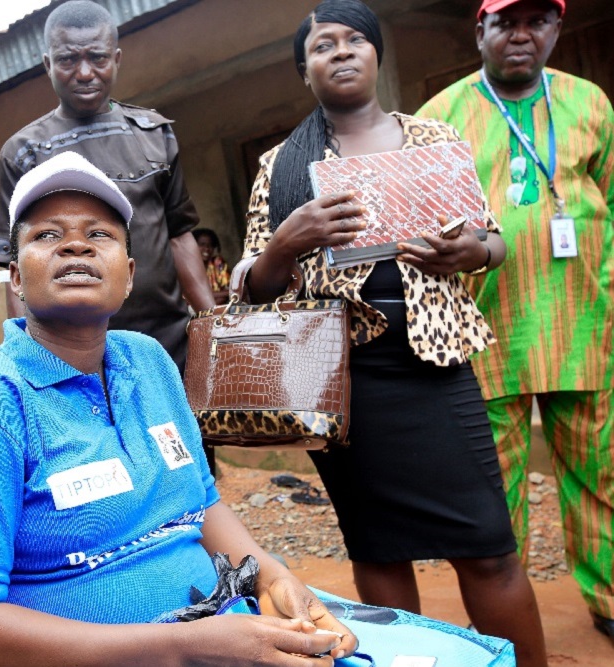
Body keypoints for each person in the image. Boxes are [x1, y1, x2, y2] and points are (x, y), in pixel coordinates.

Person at [0, 151, 359, 667]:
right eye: (47, 235)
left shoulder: (149, 362)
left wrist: (271, 576)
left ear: (127, 274)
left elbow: (202, 504)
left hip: (220, 632)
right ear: (15, 276)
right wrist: (187, 647)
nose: (75, 243)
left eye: (99, 235)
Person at [240, 1, 546, 664]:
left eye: (356, 40)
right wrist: (286, 245)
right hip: (342, 384)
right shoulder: (281, 166)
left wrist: (472, 252)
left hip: (435, 369)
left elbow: (492, 241)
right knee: (378, 549)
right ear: (305, 70)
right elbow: (252, 290)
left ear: (377, 54)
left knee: (487, 545)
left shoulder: (431, 139)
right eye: (325, 45)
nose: (342, 52)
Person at [417, 0, 614, 642]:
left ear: (557, 28)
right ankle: (504, 620)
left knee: (601, 473)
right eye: (506, 22)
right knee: (490, 492)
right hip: (484, 335)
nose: (521, 35)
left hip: (585, 324)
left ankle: (610, 602)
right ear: (481, 30)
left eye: (538, 21)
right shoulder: (439, 117)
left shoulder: (592, 105)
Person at [0, 0, 216, 376]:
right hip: (71, 351)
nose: (84, 72)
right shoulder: (23, 154)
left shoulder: (153, 135)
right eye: (67, 60)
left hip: (168, 343)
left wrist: (212, 326)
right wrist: (31, 363)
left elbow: (179, 235)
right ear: (47, 64)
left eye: (97, 58)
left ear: (116, 58)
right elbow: (11, 263)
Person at [193, 228, 232, 305]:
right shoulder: (187, 266)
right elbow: (187, 299)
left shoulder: (218, 263)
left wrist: (210, 310)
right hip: (192, 310)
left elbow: (230, 291)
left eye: (210, 245)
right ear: (193, 246)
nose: (207, 248)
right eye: (202, 244)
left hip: (217, 308)